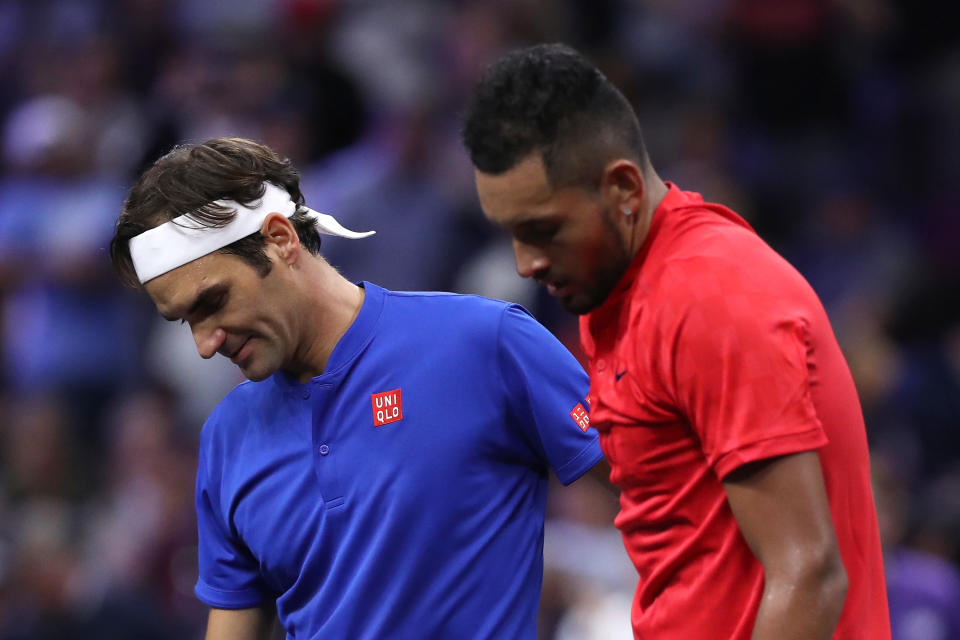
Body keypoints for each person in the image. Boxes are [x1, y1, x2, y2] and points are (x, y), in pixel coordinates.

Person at [462, 43, 891, 639]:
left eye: (544, 230)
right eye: (511, 232)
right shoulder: (613, 287)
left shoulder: (709, 297)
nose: (526, 262)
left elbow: (808, 575)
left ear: (623, 190)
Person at [108, 137, 604, 639]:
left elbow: (653, 488)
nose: (204, 344)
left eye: (212, 301)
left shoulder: (485, 342)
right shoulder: (226, 436)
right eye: (185, 321)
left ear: (279, 239)